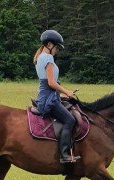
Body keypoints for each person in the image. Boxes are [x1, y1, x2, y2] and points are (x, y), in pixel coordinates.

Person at [33, 30, 81, 163]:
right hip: (49, 100)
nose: (57, 50)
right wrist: (66, 92)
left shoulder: (40, 57)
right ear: (49, 44)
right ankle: (64, 155)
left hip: (47, 96)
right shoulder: (48, 58)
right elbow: (51, 82)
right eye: (57, 47)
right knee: (70, 120)